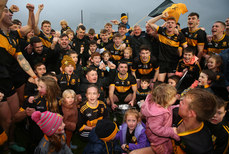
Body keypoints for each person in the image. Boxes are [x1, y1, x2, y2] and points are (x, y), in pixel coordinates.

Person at [147, 12, 187, 82]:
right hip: (162, 61)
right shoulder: (162, 31)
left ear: (175, 25)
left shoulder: (179, 35)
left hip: (173, 62)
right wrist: (161, 16)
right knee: (160, 83)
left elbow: (186, 48)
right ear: (166, 24)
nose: (170, 24)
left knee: (171, 83)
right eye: (168, 23)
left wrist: (188, 60)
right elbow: (149, 22)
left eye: (172, 23)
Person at [141, 83, 179, 154]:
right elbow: (156, 129)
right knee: (164, 151)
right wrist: (171, 131)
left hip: (164, 136)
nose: (176, 97)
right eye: (174, 96)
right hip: (158, 140)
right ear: (167, 99)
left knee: (170, 148)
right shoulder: (156, 114)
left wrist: (178, 106)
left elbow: (169, 108)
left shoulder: (164, 104)